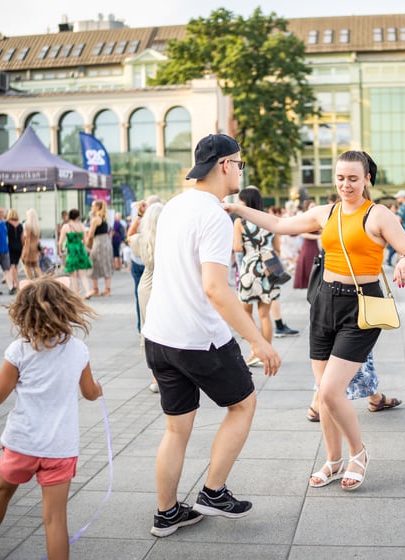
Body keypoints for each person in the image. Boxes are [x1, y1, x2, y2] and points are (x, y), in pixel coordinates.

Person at [226, 149, 405, 491]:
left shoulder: (378, 215)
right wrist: (236, 207)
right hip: (324, 302)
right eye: (341, 177)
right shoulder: (325, 213)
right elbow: (278, 225)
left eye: (353, 178)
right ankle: (333, 461)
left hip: (361, 307)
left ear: (367, 180)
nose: (346, 184)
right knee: (323, 391)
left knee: (331, 392)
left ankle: (358, 453)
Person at [143, 134, 280, 537]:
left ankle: (166, 513)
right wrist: (257, 339)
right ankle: (214, 492)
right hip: (197, 336)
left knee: (176, 428)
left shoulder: (174, 206)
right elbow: (216, 288)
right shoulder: (215, 217)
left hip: (159, 334)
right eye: (239, 163)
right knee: (243, 404)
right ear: (224, 165)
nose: (240, 169)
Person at [0, 276, 102, 559]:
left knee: (1, 493)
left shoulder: (19, 351)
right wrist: (97, 389)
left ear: (23, 313)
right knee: (55, 519)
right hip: (60, 450)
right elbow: (90, 393)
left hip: (22, 443)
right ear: (66, 310)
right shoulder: (78, 350)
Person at [233, 186, 281, 365]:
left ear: (246, 203)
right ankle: (265, 353)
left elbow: (237, 247)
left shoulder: (240, 222)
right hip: (269, 267)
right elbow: (278, 248)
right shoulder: (270, 219)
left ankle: (255, 350)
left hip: (250, 268)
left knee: (245, 312)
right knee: (265, 314)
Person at [127, 196, 164, 393]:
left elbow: (129, 235)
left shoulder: (144, 240)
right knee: (168, 329)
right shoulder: (171, 238)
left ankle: (155, 378)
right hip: (166, 285)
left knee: (149, 332)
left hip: (147, 286)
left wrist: (140, 215)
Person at [60, 209, 91, 297]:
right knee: (82, 274)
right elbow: (85, 240)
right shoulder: (81, 226)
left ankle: (77, 293)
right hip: (80, 250)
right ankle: (88, 291)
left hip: (71, 251)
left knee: (73, 275)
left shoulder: (66, 226)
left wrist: (59, 250)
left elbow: (60, 241)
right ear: (78, 216)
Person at [85, 199, 112, 298]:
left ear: (97, 207)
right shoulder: (104, 218)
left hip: (98, 242)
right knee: (106, 264)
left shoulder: (95, 219)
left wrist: (87, 243)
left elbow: (91, 233)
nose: (91, 207)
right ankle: (107, 289)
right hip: (106, 242)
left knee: (93, 263)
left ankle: (95, 289)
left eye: (93, 206)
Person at [20, 208, 42, 280]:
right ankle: (42, 279)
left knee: (27, 265)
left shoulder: (27, 225)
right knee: (35, 265)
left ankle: (30, 280)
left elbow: (28, 239)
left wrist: (25, 250)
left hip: (29, 247)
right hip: (35, 247)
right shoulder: (38, 226)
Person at [6, 209, 23, 294]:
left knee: (12, 266)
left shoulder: (7, 224)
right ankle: (14, 282)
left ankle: (16, 284)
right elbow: (22, 237)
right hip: (19, 246)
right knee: (15, 265)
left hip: (10, 246)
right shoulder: (20, 225)